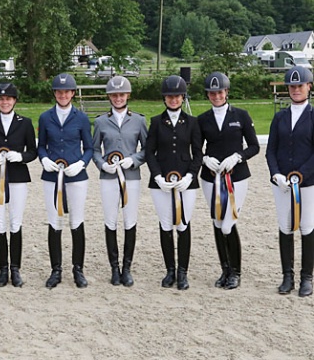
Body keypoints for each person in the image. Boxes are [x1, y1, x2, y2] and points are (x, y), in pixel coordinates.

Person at [198, 72, 259, 290]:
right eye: (212, 93)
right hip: (211, 178)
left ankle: (236, 272)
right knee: (216, 221)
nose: (216, 96)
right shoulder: (202, 119)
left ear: (227, 92)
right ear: (208, 94)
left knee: (228, 223)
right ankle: (225, 270)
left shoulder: (241, 115)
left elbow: (254, 146)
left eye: (220, 92)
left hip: (237, 177)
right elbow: (196, 149)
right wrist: (205, 159)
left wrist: (238, 157)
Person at [146, 75, 202, 291]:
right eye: (169, 96)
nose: (173, 100)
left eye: (177, 96)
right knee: (166, 225)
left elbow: (197, 153)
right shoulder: (156, 122)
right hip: (161, 181)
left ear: (182, 97)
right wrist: (158, 176)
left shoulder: (192, 123)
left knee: (183, 224)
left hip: (186, 181)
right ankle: (170, 270)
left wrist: (190, 176)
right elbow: (150, 152)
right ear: (164, 99)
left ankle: (183, 272)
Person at [37, 73, 94, 289]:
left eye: (67, 91)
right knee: (54, 222)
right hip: (52, 176)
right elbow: (41, 144)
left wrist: (82, 163)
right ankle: (56, 270)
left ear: (72, 93)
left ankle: (78, 269)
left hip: (76, 176)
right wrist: (43, 158)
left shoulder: (81, 118)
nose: (63, 95)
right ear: (55, 93)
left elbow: (89, 147)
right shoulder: (45, 117)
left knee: (76, 222)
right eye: (59, 92)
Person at [92, 76, 147, 287]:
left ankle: (127, 267)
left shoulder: (139, 121)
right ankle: (114, 267)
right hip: (108, 177)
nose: (118, 98)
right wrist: (101, 164)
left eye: (121, 94)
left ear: (128, 96)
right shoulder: (100, 121)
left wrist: (132, 160)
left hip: (131, 177)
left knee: (129, 221)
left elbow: (147, 149)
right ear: (109, 97)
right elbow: (95, 149)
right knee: (110, 221)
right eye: (114, 95)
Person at [0, 83, 37, 287]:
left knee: (15, 223)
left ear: (14, 101)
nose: (5, 102)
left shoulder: (25, 123)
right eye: (1, 99)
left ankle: (15, 268)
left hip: (18, 177)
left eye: (9, 99)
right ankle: (2, 269)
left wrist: (20, 156)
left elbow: (33, 151)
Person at [266, 66, 314, 297]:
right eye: (292, 86)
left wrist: (301, 174)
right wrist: (276, 174)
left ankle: (307, 277)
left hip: (308, 182)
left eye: (300, 86)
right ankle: (287, 276)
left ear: (308, 87)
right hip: (282, 183)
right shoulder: (279, 117)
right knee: (285, 226)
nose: (296, 90)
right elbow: (271, 150)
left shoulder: (313, 116)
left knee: (307, 227)